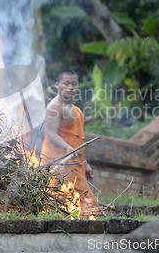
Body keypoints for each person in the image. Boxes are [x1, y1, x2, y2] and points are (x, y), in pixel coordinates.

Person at [40, 70, 101, 218]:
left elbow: (77, 140)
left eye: (74, 84)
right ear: (57, 85)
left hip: (75, 162)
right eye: (66, 83)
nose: (70, 87)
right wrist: (67, 148)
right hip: (60, 162)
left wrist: (85, 164)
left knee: (85, 203)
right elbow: (52, 134)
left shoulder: (77, 110)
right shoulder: (54, 107)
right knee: (62, 201)